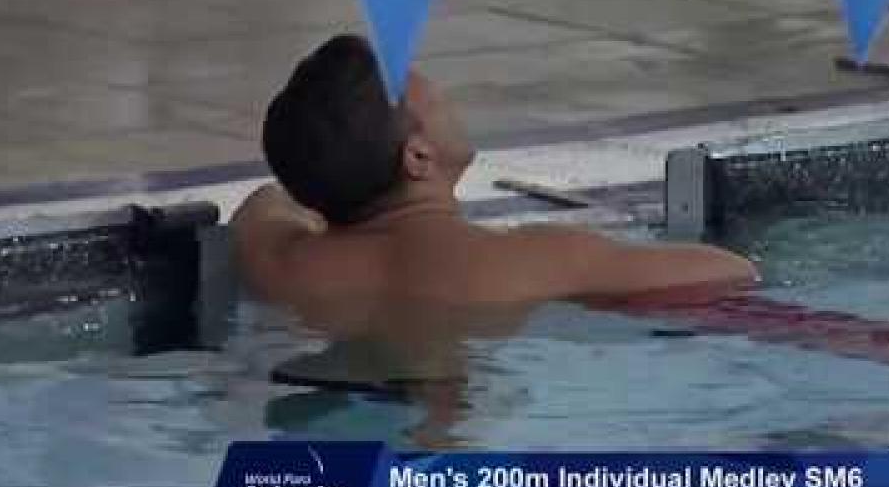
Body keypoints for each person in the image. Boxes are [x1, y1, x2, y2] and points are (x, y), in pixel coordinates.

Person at [231, 34, 757, 334]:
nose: (451, 101)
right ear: (418, 156)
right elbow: (729, 273)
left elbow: (264, 204)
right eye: (435, 98)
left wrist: (327, 205)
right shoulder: (533, 260)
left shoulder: (284, 263)